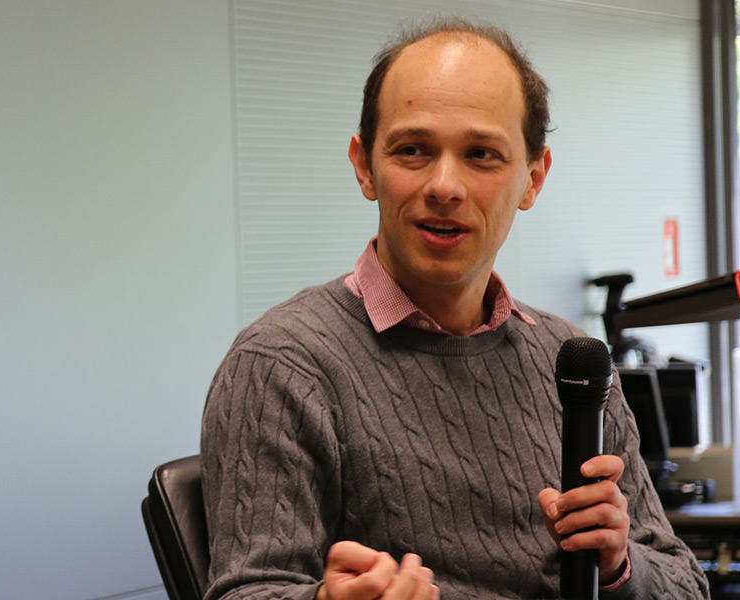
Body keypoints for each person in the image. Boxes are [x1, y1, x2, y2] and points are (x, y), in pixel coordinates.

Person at [200, 18, 710, 600]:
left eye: (481, 154)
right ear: (364, 165)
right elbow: (246, 593)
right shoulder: (283, 365)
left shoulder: (571, 365)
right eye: (413, 149)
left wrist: (620, 566)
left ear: (532, 179)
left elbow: (685, 586)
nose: (445, 185)